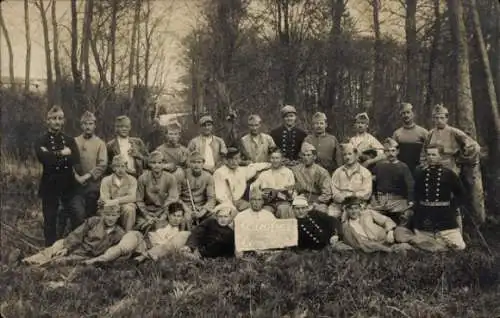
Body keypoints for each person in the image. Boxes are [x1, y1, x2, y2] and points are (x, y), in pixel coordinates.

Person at [396, 144, 466, 251]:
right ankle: (433, 244)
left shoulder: (449, 174)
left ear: (440, 156)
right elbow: (416, 193)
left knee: (460, 246)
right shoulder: (420, 174)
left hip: (445, 217)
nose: (430, 157)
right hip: (425, 216)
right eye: (428, 154)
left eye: (434, 154)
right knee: (421, 239)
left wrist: (453, 207)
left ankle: (434, 245)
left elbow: (460, 193)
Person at [84, 202, 191, 264]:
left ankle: (138, 259)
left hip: (156, 253)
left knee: (166, 246)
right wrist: (147, 224)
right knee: (132, 236)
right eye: (174, 215)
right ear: (168, 215)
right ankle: (100, 260)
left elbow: (173, 247)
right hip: (143, 244)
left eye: (179, 216)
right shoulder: (158, 223)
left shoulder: (180, 234)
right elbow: (138, 228)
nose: (176, 219)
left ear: (182, 218)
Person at [35, 105, 81, 246]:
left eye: (60, 118)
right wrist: (62, 153)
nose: (57, 121)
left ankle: (74, 246)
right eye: (53, 118)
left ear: (63, 121)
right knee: (50, 219)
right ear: (47, 121)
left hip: (69, 185)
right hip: (50, 184)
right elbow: (45, 160)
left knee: (77, 215)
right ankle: (49, 248)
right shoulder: (41, 140)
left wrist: (52, 155)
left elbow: (76, 159)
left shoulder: (69, 140)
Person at [23, 204, 125, 266]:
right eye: (108, 215)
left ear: (118, 216)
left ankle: (39, 266)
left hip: (85, 255)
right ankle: (31, 260)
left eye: (113, 215)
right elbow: (78, 234)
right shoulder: (94, 221)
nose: (110, 218)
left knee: (60, 261)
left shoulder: (119, 233)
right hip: (75, 244)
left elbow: (115, 252)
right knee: (56, 247)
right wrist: (67, 247)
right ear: (103, 214)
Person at [421, 104, 481, 175]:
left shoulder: (455, 132)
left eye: (442, 118)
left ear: (446, 119)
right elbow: (424, 152)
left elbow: (474, 147)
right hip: (433, 169)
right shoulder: (430, 133)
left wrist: (461, 160)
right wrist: (424, 164)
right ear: (433, 119)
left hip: (450, 169)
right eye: (436, 118)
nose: (439, 120)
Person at [71, 111, 108, 222]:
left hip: (93, 186)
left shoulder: (100, 143)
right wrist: (76, 177)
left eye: (90, 124)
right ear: (81, 125)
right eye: (85, 124)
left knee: (91, 214)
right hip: (76, 185)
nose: (88, 127)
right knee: (78, 213)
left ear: (95, 125)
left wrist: (86, 177)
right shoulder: (74, 141)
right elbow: (68, 162)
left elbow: (102, 164)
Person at [339, 196, 411, 253]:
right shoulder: (347, 226)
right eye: (351, 209)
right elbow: (359, 244)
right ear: (346, 210)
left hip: (387, 236)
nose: (354, 211)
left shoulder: (367, 213)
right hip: (373, 245)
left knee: (400, 233)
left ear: (360, 208)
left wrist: (390, 231)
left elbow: (386, 220)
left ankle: (414, 242)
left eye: (356, 208)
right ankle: (396, 248)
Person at [369, 138, 414, 225]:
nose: (391, 154)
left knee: (408, 214)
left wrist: (410, 200)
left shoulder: (403, 167)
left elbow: (410, 185)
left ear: (397, 151)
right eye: (388, 151)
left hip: (397, 200)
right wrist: (373, 197)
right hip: (380, 200)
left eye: (393, 151)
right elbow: (372, 183)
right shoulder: (379, 166)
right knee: (366, 213)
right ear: (384, 152)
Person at [213, 147, 271, 212]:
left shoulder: (241, 170)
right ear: (226, 160)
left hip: (240, 201)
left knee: (258, 209)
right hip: (226, 203)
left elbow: (255, 167)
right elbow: (220, 196)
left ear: (240, 159)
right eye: (231, 159)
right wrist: (231, 208)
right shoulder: (219, 173)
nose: (234, 162)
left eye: (237, 159)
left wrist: (270, 164)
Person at [135, 151, 179, 232]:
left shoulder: (170, 178)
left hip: (164, 211)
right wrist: (146, 215)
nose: (157, 165)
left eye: (159, 162)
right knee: (144, 227)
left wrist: (163, 215)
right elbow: (139, 200)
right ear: (149, 164)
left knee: (166, 229)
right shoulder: (142, 178)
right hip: (147, 211)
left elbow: (172, 198)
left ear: (163, 164)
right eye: (153, 162)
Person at [328, 143, 372, 218]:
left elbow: (366, 193)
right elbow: (334, 189)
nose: (347, 157)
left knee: (360, 217)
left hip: (357, 204)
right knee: (331, 216)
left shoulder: (365, 172)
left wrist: (350, 196)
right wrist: (339, 197)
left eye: (350, 154)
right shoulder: (338, 171)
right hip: (340, 204)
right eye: (345, 155)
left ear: (356, 155)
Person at [251, 149, 295, 218]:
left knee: (283, 209)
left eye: (277, 158)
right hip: (268, 203)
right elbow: (253, 186)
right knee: (265, 212)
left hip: (283, 202)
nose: (274, 161)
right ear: (269, 159)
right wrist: (260, 192)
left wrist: (283, 192)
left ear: (282, 159)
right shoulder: (264, 174)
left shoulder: (288, 172)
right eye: (272, 158)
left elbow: (292, 189)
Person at [99, 155, 138, 231]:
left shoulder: (132, 179)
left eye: (123, 166)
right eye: (117, 166)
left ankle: (127, 234)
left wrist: (116, 201)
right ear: (113, 168)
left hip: (123, 206)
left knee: (130, 209)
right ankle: (108, 236)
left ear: (126, 167)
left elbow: (133, 197)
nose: (120, 169)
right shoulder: (106, 180)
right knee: (105, 210)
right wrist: (116, 203)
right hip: (109, 206)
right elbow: (105, 199)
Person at [291, 142, 332, 214]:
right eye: (304, 155)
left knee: (321, 211)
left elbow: (327, 193)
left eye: (309, 155)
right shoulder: (296, 170)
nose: (306, 157)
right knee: (289, 211)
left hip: (317, 200)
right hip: (300, 199)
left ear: (314, 157)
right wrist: (296, 198)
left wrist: (316, 202)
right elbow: (292, 187)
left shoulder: (322, 172)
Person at [179, 151, 216, 224]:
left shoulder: (208, 177)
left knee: (214, 218)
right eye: (193, 162)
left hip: (202, 207)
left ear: (203, 163)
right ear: (189, 163)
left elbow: (211, 199)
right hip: (185, 207)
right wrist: (186, 209)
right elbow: (176, 197)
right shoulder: (182, 175)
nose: (196, 165)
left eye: (199, 162)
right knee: (186, 218)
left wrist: (202, 212)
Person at [392, 103, 429, 174]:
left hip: (419, 169)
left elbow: (430, 150)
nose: (406, 115)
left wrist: (425, 163)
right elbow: (393, 152)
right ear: (401, 116)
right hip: (402, 170)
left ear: (413, 114)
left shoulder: (423, 132)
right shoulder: (397, 133)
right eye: (403, 113)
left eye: (408, 112)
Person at [155, 120, 189, 185]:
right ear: (166, 135)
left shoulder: (184, 150)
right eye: (170, 134)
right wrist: (164, 166)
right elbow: (153, 164)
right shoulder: (160, 149)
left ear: (179, 136)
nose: (173, 136)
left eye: (175, 134)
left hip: (181, 180)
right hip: (164, 180)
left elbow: (188, 166)